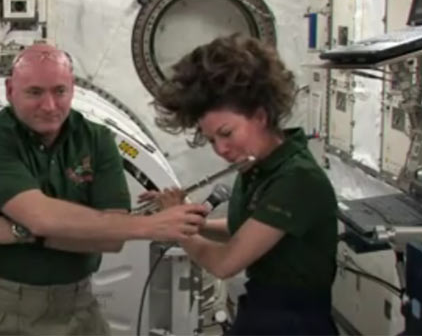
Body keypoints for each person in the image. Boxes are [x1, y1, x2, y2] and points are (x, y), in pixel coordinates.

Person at [0, 43, 209, 336]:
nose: (50, 105)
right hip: (8, 312)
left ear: (73, 89)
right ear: (9, 90)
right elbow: (42, 217)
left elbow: (111, 240)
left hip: (81, 308)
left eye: (59, 91)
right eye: (34, 92)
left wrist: (19, 233)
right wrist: (151, 225)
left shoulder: (97, 138)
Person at [143, 34, 339, 335]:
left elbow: (225, 263)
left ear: (260, 116)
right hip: (263, 310)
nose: (220, 149)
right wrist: (184, 215)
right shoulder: (259, 167)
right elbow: (246, 229)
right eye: (211, 140)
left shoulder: (297, 179)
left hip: (294, 323)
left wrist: (178, 231)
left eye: (226, 133)